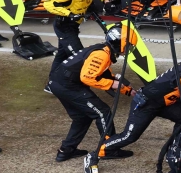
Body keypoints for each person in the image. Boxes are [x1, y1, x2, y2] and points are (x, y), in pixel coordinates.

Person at [97, 37, 181, 160]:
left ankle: (175, 148)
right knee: (129, 136)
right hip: (146, 105)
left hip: (163, 104)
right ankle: (102, 150)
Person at [48, 23, 134, 164]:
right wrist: (113, 84)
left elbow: (106, 75)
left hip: (59, 83)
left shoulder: (104, 50)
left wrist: (129, 91)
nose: (130, 48)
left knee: (82, 117)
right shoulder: (101, 54)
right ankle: (109, 149)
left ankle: (66, 150)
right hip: (67, 85)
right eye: (129, 44)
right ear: (120, 43)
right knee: (103, 112)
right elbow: (87, 78)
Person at [42, 0, 110, 78]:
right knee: (79, 56)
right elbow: (48, 3)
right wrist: (69, 14)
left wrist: (106, 1)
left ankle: (52, 82)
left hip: (73, 26)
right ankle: (75, 82)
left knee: (62, 54)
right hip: (64, 26)